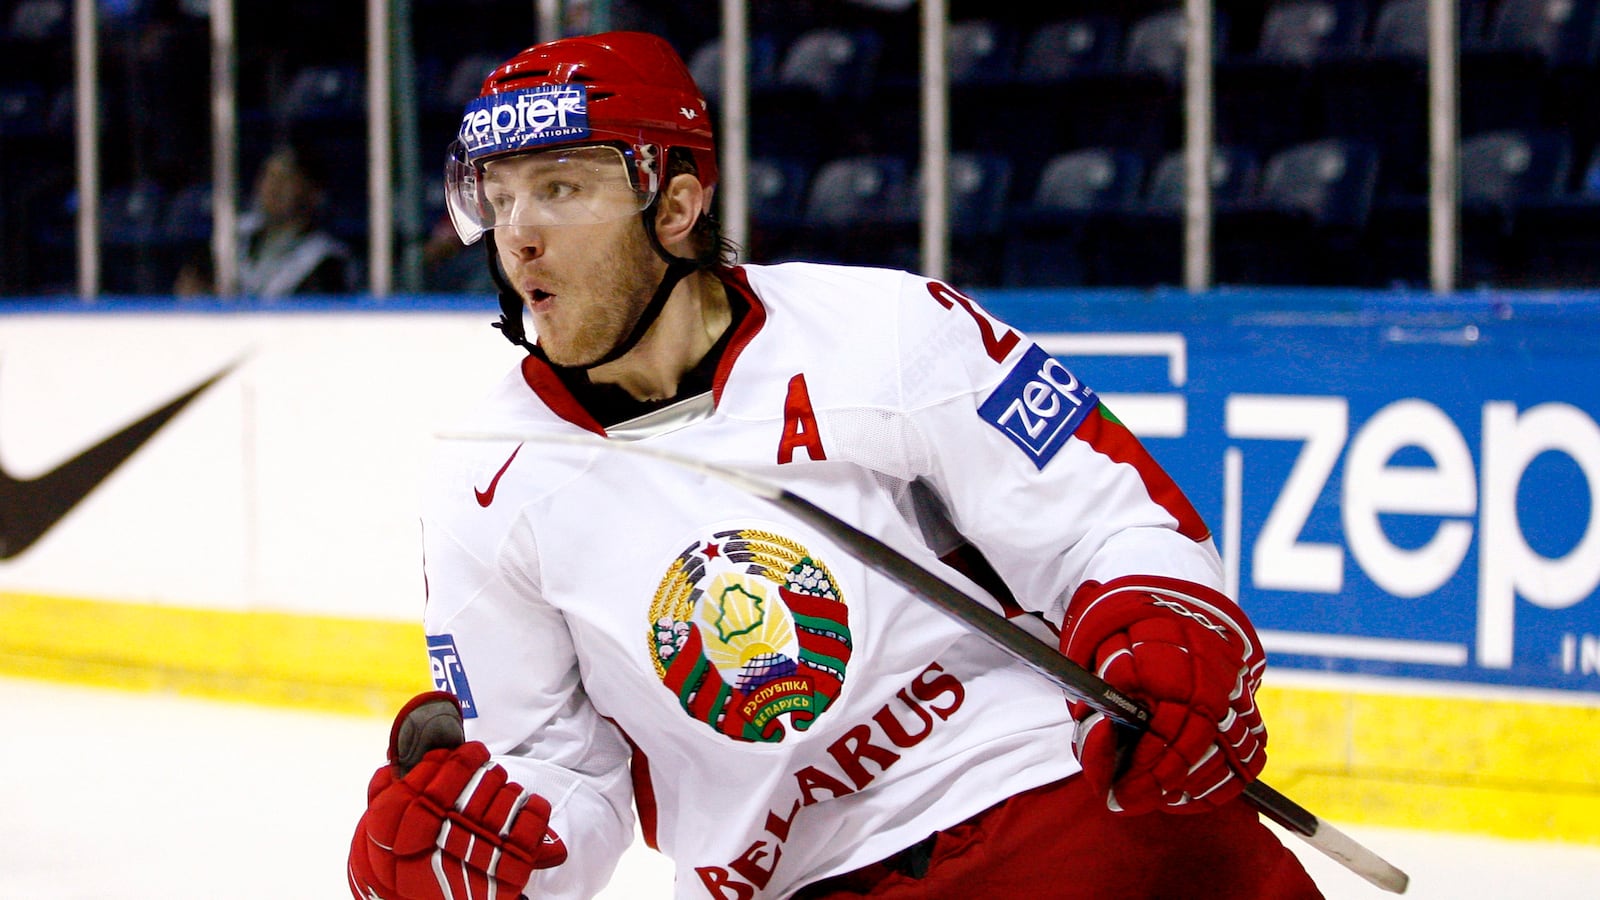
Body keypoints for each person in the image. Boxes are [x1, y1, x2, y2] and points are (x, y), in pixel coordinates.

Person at [345, 31, 1323, 900]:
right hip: (798, 879)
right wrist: (479, 851)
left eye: (559, 188)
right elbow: (560, 773)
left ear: (675, 201)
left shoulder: (884, 332)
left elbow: (1101, 520)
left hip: (1050, 797)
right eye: (498, 195)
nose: (516, 236)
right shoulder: (486, 484)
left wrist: (1159, 635)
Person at [175, 141, 353, 297]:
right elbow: (190, 286)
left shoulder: (327, 260)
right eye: (268, 176)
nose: (272, 188)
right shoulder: (233, 236)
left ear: (314, 194)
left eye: (285, 179)